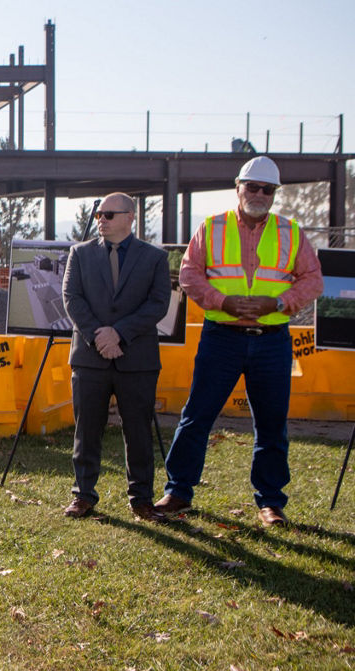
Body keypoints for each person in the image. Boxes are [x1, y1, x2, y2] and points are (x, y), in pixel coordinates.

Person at [156, 156, 323, 526]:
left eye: (268, 189)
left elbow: (312, 280)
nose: (260, 194)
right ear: (238, 187)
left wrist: (278, 303)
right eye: (253, 187)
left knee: (272, 423)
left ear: (275, 194)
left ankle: (270, 502)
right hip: (222, 338)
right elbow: (189, 274)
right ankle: (178, 490)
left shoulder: (291, 232)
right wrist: (223, 302)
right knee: (197, 416)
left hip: (272, 340)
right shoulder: (212, 228)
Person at [61, 192, 171, 522]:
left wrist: (119, 332)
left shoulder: (154, 258)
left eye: (108, 214)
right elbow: (71, 298)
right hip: (90, 357)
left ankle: (141, 499)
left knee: (138, 430)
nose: (101, 220)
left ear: (129, 217)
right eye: (98, 215)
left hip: (136, 358)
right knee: (86, 429)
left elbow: (157, 304)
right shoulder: (79, 254)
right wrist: (99, 335)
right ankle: (83, 495)